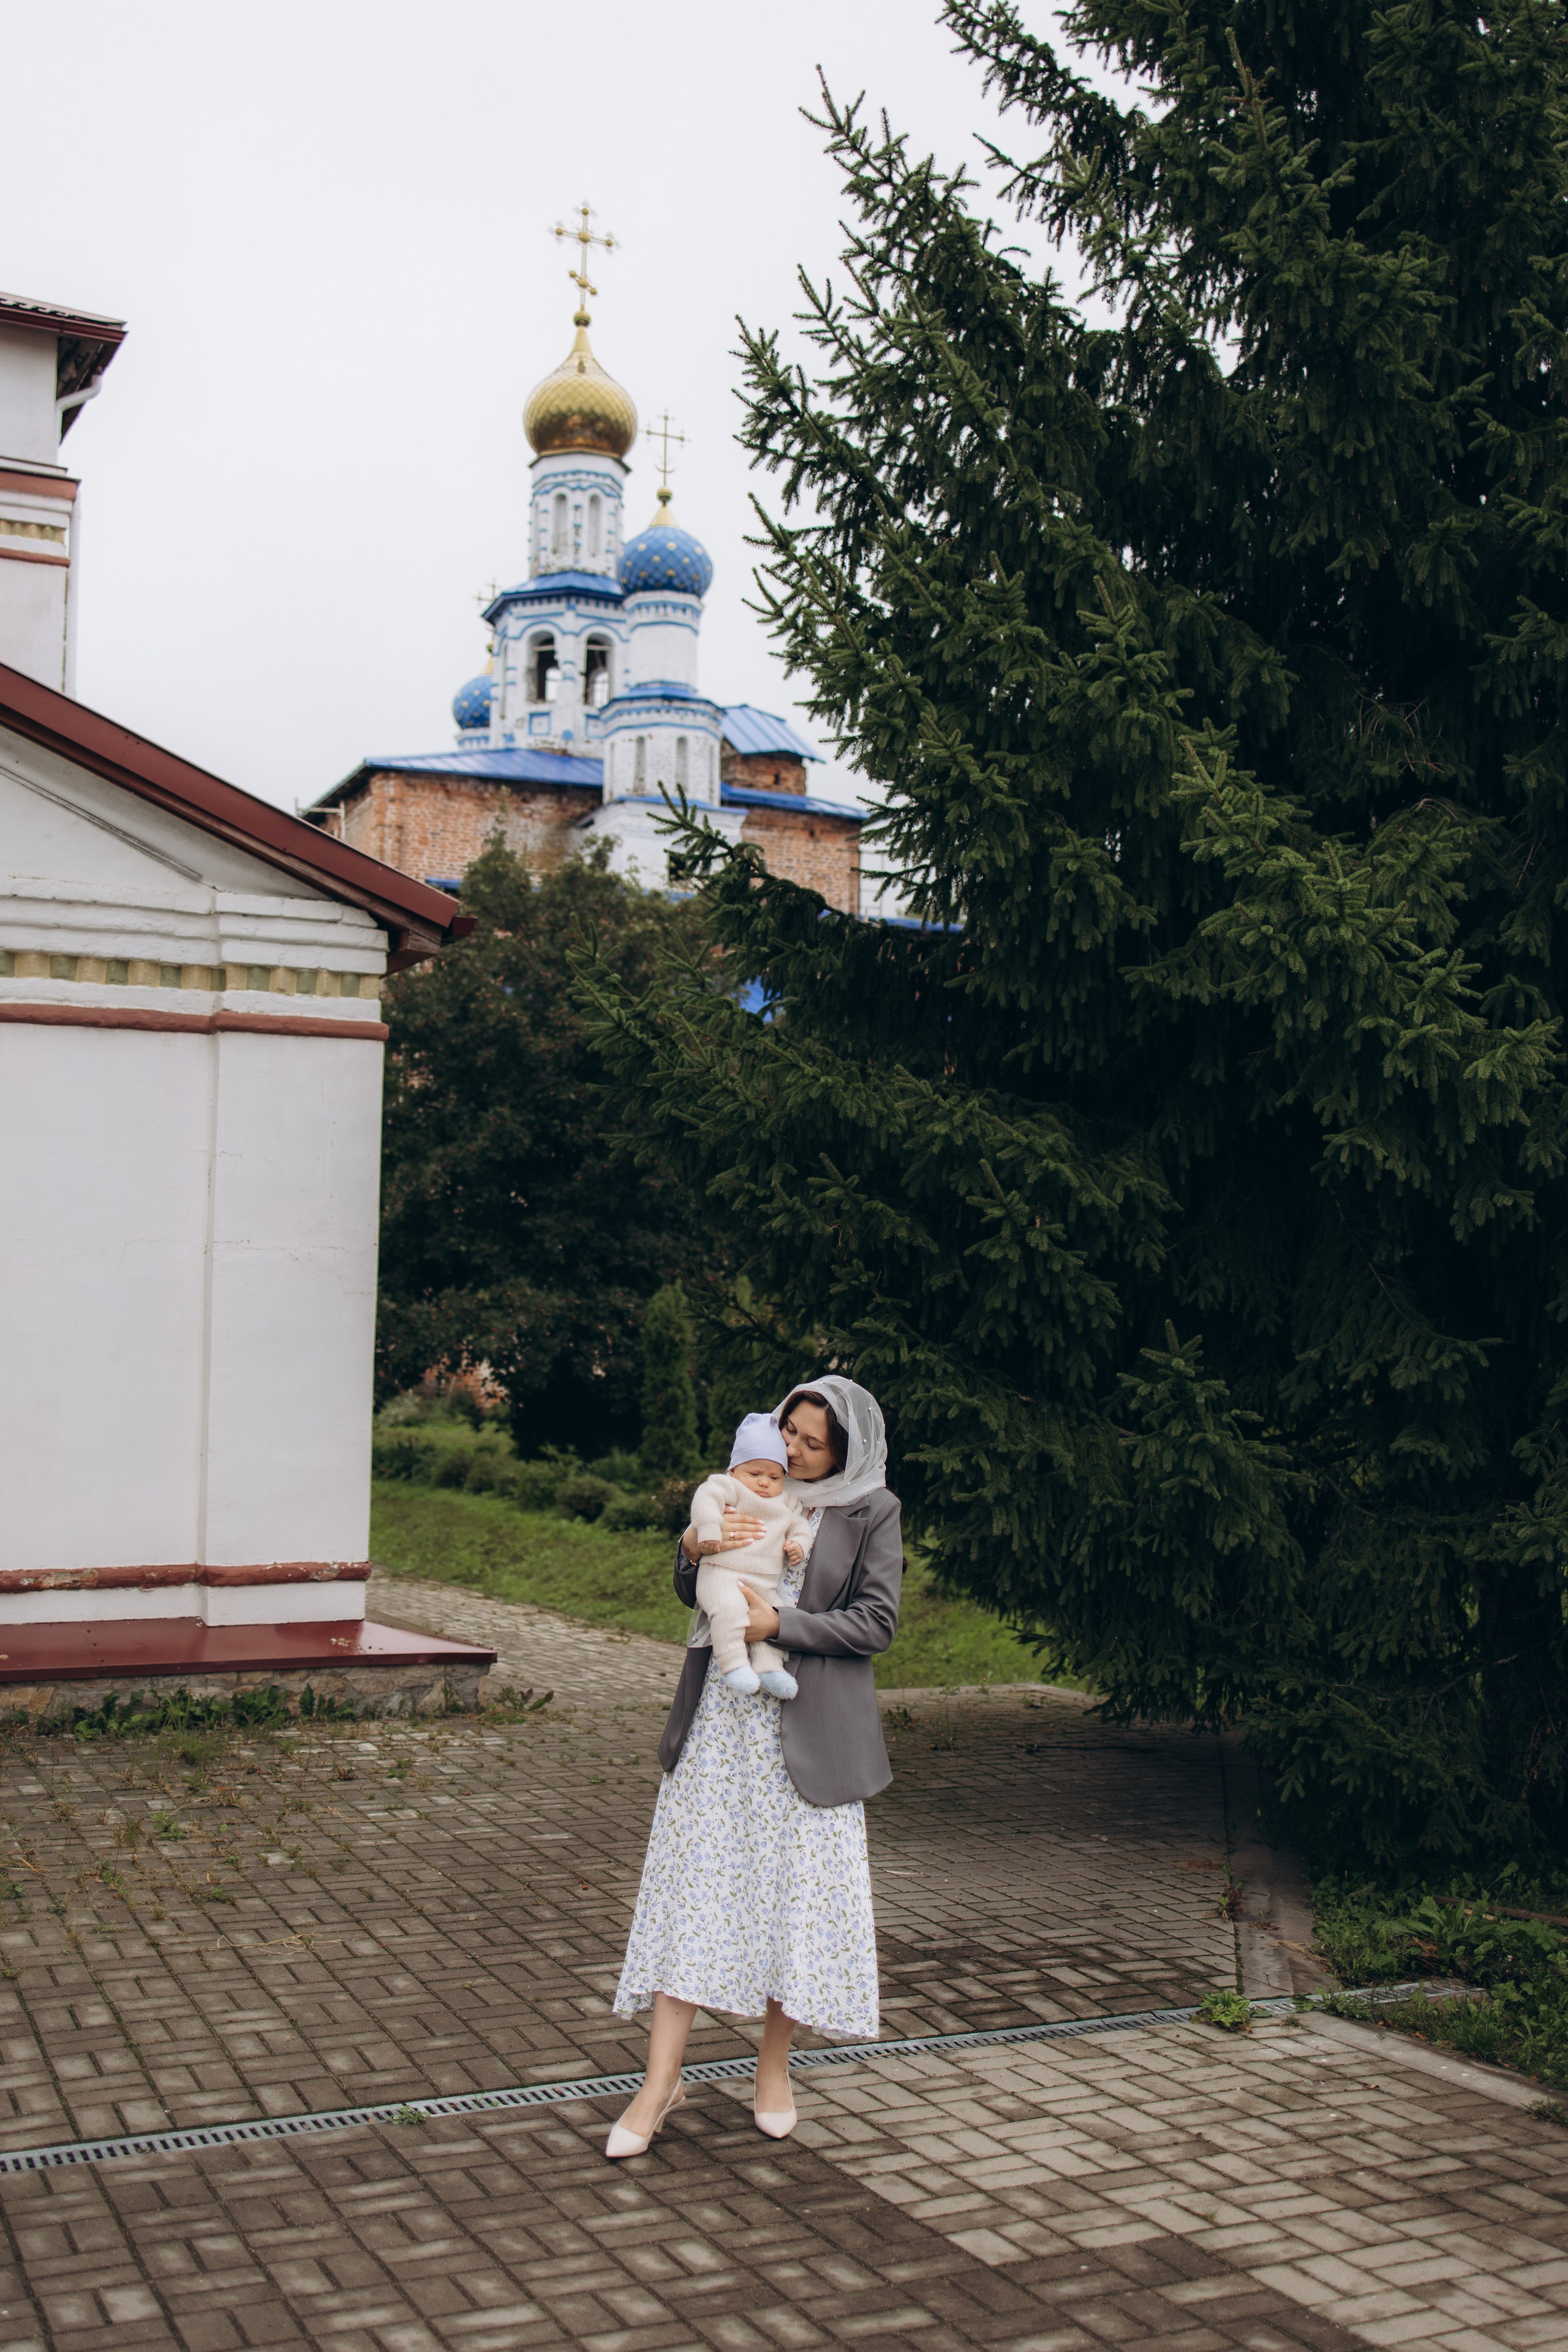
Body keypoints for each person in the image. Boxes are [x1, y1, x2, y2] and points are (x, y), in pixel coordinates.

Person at [606, 1377, 901, 2157]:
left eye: (812, 1442)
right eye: (789, 1432)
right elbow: (691, 1591)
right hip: (722, 1730)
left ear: (845, 1449)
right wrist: (690, 1547)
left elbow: (877, 1621)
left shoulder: (871, 1510)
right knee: (695, 1890)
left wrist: (785, 1624)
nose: (794, 1451)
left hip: (812, 1736)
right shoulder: (746, 1479)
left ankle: (773, 2071)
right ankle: (657, 2083)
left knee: (791, 1906)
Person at [687, 1411, 815, 1697]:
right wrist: (708, 1529)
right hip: (723, 1572)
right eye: (754, 1474)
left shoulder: (788, 1501)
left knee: (776, 1618)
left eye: (774, 1476)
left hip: (764, 1582)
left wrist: (799, 1544)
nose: (764, 1483)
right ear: (734, 1470)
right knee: (729, 1612)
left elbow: (801, 1526)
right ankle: (733, 1665)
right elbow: (706, 1499)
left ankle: (770, 1671)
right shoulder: (729, 1487)